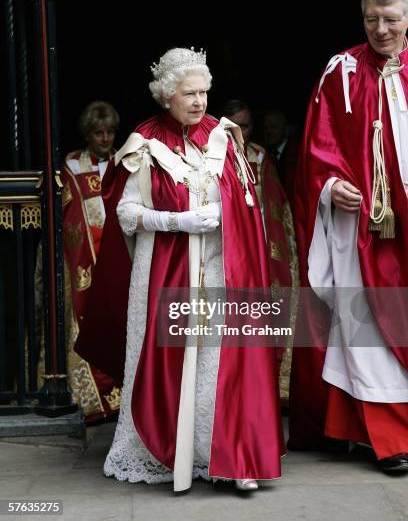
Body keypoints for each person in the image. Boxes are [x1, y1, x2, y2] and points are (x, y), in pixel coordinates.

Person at [75, 48, 285, 491]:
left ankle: (229, 455)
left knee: (221, 366)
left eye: (204, 92)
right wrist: (177, 222)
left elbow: (248, 201)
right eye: (189, 93)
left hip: (221, 268)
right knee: (174, 365)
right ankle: (172, 451)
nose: (199, 102)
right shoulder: (144, 142)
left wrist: (225, 211)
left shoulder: (223, 136)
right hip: (164, 274)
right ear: (166, 95)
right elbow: (127, 214)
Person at [290, 0, 408, 472]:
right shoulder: (341, 71)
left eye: (392, 19)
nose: (381, 29)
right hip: (365, 228)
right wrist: (329, 186)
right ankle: (390, 438)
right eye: (371, 20)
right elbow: (318, 147)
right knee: (370, 327)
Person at [221, 99, 299, 401]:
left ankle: (266, 387)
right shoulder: (208, 155)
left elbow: (277, 211)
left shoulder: (259, 156)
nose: (241, 131)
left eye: (246, 125)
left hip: (258, 251)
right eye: (234, 124)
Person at [61, 100, 121, 422]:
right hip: (89, 257)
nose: (106, 138)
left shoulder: (124, 160)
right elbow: (70, 219)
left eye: (110, 132)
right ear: (88, 134)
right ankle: (94, 398)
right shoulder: (73, 165)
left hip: (116, 253)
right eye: (99, 133)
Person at [262, 109, 300, 209]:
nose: (269, 132)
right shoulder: (263, 153)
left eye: (274, 127)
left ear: (286, 129)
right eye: (266, 128)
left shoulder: (297, 154)